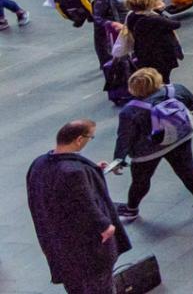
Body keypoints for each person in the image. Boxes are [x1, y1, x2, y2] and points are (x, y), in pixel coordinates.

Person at [28, 120, 130, 294]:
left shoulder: (39, 163)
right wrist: (105, 225)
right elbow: (85, 203)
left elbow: (57, 189)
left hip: (57, 244)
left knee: (75, 285)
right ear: (79, 140)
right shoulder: (74, 172)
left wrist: (93, 170)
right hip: (86, 248)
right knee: (99, 285)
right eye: (90, 137)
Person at [109, 67, 193, 220]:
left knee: (141, 180)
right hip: (179, 137)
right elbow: (190, 100)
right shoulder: (176, 90)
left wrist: (118, 160)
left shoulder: (130, 111)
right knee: (188, 170)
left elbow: (125, 137)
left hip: (147, 151)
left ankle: (131, 209)